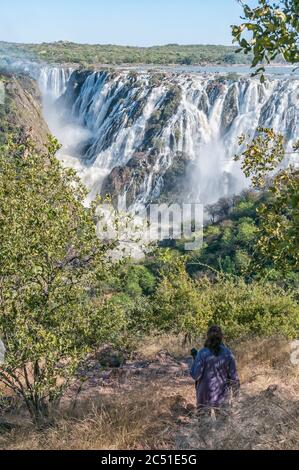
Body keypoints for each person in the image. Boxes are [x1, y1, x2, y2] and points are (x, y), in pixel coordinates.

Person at [190, 325, 239, 411]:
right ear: (221, 337)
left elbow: (195, 375)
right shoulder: (228, 354)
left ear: (207, 336)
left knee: (203, 423)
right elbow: (234, 379)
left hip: (204, 398)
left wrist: (194, 359)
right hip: (222, 398)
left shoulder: (202, 353)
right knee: (222, 424)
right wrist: (236, 397)